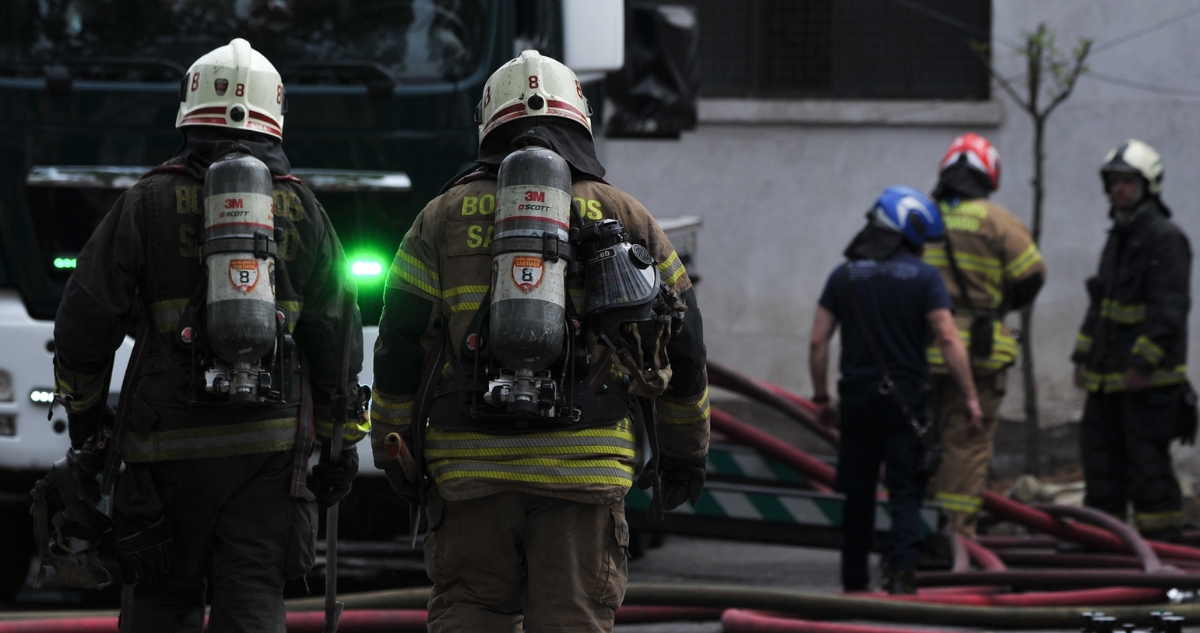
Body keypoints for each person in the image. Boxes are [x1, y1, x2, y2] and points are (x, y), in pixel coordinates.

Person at [370, 50, 710, 632]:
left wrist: (392, 447)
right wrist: (685, 451)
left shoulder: (441, 215)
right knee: (572, 620)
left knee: (470, 612)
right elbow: (682, 341)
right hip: (583, 470)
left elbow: (400, 343)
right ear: (580, 120)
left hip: (469, 470)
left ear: (488, 122)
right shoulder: (624, 213)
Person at [50, 39, 367, 632]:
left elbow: (84, 323)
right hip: (269, 458)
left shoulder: (146, 202)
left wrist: (87, 429)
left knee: (161, 607)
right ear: (275, 115)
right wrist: (338, 445)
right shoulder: (303, 208)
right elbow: (337, 341)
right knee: (252, 606)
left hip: (164, 455)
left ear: (189, 113)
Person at [809, 186, 982, 594]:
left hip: (856, 400)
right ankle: (902, 581)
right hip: (906, 401)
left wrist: (821, 398)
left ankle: (853, 585)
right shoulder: (925, 277)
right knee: (906, 491)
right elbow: (948, 337)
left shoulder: (844, 275)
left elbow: (818, 342)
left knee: (858, 494)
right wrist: (971, 395)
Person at [924, 133, 1046, 539]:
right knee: (966, 442)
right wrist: (999, 305)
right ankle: (957, 537)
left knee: (919, 438)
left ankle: (912, 530)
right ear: (989, 174)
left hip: (922, 347)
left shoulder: (923, 215)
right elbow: (1032, 275)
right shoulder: (997, 221)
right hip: (979, 353)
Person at [1072, 139, 1195, 541]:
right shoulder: (1118, 237)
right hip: (1107, 381)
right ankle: (1103, 549)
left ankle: (1165, 553)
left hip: (1148, 385)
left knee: (1148, 473)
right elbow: (1101, 303)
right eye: (1114, 182)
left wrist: (1142, 365)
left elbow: (1169, 311)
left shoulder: (1165, 238)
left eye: (1127, 182)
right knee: (1101, 469)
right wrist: (1082, 356)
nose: (1119, 189)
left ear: (1149, 185)